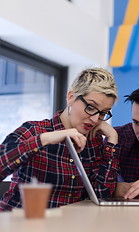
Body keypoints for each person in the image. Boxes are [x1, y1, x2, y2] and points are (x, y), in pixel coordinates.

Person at [0, 68, 120, 211]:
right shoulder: (34, 130)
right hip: (19, 223)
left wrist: (112, 139)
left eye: (103, 113)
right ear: (70, 97)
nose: (95, 119)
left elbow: (101, 197)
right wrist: (45, 139)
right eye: (90, 107)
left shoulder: (95, 142)